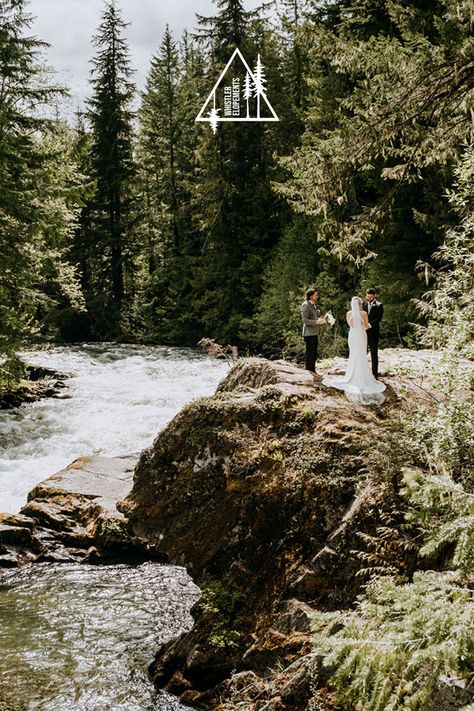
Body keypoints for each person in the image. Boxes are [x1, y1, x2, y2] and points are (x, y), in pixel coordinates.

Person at [322, 296, 386, 404]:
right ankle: (363, 376)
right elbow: (366, 325)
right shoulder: (364, 314)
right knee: (361, 354)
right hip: (361, 335)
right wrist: (365, 326)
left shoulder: (348, 314)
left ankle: (352, 375)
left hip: (352, 335)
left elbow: (350, 325)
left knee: (353, 354)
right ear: (360, 304)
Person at [300, 288, 326, 373]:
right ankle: (309, 370)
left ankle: (312, 369)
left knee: (314, 352)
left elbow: (313, 317)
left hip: (314, 332)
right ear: (310, 296)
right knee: (310, 353)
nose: (317, 296)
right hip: (308, 333)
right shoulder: (305, 305)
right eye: (315, 295)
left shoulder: (313, 304)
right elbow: (304, 320)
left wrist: (320, 319)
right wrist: (316, 321)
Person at [363, 288, 384, 378]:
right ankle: (364, 371)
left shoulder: (379, 305)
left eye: (370, 297)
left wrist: (369, 325)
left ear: (374, 296)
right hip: (364, 332)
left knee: (374, 353)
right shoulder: (364, 305)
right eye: (368, 296)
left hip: (374, 332)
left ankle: (374, 373)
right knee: (363, 352)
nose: (369, 298)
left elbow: (378, 319)